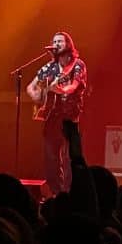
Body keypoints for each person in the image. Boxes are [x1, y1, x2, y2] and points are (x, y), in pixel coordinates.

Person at [26, 31, 87, 195]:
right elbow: (30, 87)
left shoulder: (77, 65)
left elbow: (73, 86)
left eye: (60, 41)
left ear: (68, 44)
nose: (56, 44)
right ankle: (55, 193)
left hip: (70, 117)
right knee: (51, 158)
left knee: (69, 159)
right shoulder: (48, 67)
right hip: (51, 117)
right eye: (54, 41)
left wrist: (58, 89)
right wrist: (38, 96)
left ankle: (70, 193)